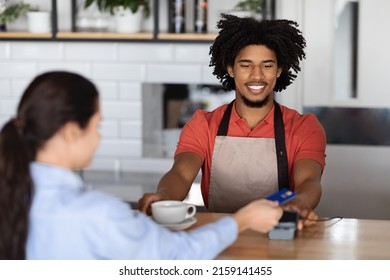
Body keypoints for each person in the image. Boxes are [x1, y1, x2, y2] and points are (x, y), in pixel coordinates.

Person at [0, 71, 282, 260]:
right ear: (71, 132)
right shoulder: (98, 214)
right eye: (97, 126)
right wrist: (243, 220)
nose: (99, 137)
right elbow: (177, 257)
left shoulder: (11, 196)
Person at [139, 15, 326, 225]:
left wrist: (300, 203)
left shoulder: (304, 127)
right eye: (246, 65)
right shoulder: (203, 124)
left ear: (279, 70)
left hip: (279, 234)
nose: (257, 75)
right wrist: (164, 197)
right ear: (231, 68)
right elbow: (181, 174)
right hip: (220, 236)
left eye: (267, 65)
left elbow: (309, 181)